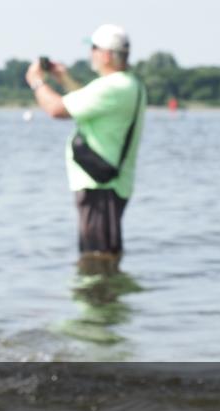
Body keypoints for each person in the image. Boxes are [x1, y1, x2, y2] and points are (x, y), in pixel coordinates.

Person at [25, 24, 146, 268]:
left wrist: (37, 82)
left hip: (101, 187)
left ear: (107, 55)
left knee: (97, 258)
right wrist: (63, 79)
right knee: (103, 256)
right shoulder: (128, 85)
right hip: (110, 185)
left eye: (94, 48)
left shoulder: (113, 86)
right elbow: (87, 98)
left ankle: (100, 302)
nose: (91, 54)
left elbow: (56, 109)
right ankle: (106, 298)